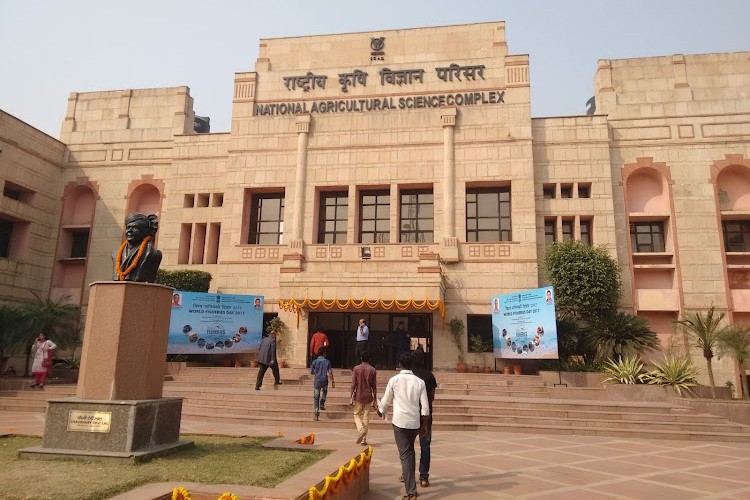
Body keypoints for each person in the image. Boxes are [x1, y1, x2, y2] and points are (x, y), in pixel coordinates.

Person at [378, 352, 429, 500]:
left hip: (400, 422)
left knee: (405, 455)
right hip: (414, 422)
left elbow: (386, 401)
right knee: (410, 453)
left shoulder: (394, 380)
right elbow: (425, 407)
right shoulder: (419, 382)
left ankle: (411, 491)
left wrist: (380, 410)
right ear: (412, 365)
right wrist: (424, 425)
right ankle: (411, 484)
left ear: (400, 364)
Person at [411, 347, 437, 488]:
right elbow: (432, 397)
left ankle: (407, 473)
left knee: (408, 447)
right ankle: (424, 477)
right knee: (425, 446)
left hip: (410, 415)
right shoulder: (429, 376)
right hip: (425, 415)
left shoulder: (409, 376)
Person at [114, 213, 162, 283]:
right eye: (128, 227)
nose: (130, 230)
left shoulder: (153, 255)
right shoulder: (115, 254)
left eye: (135, 227)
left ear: (144, 231)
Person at [350, 350, 377, 445]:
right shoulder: (372, 370)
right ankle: (364, 439)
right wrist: (375, 400)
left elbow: (353, 384)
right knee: (366, 416)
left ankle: (360, 428)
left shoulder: (356, 369)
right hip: (368, 395)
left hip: (359, 395)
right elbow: (374, 386)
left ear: (361, 358)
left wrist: (351, 396)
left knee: (356, 414)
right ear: (369, 359)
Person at [310, 347, 334, 421]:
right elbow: (330, 372)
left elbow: (311, 372)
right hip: (324, 380)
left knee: (316, 397)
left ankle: (316, 414)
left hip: (317, 381)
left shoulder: (314, 362)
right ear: (324, 353)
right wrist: (333, 381)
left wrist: (316, 372)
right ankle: (322, 402)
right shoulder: (327, 362)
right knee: (325, 391)